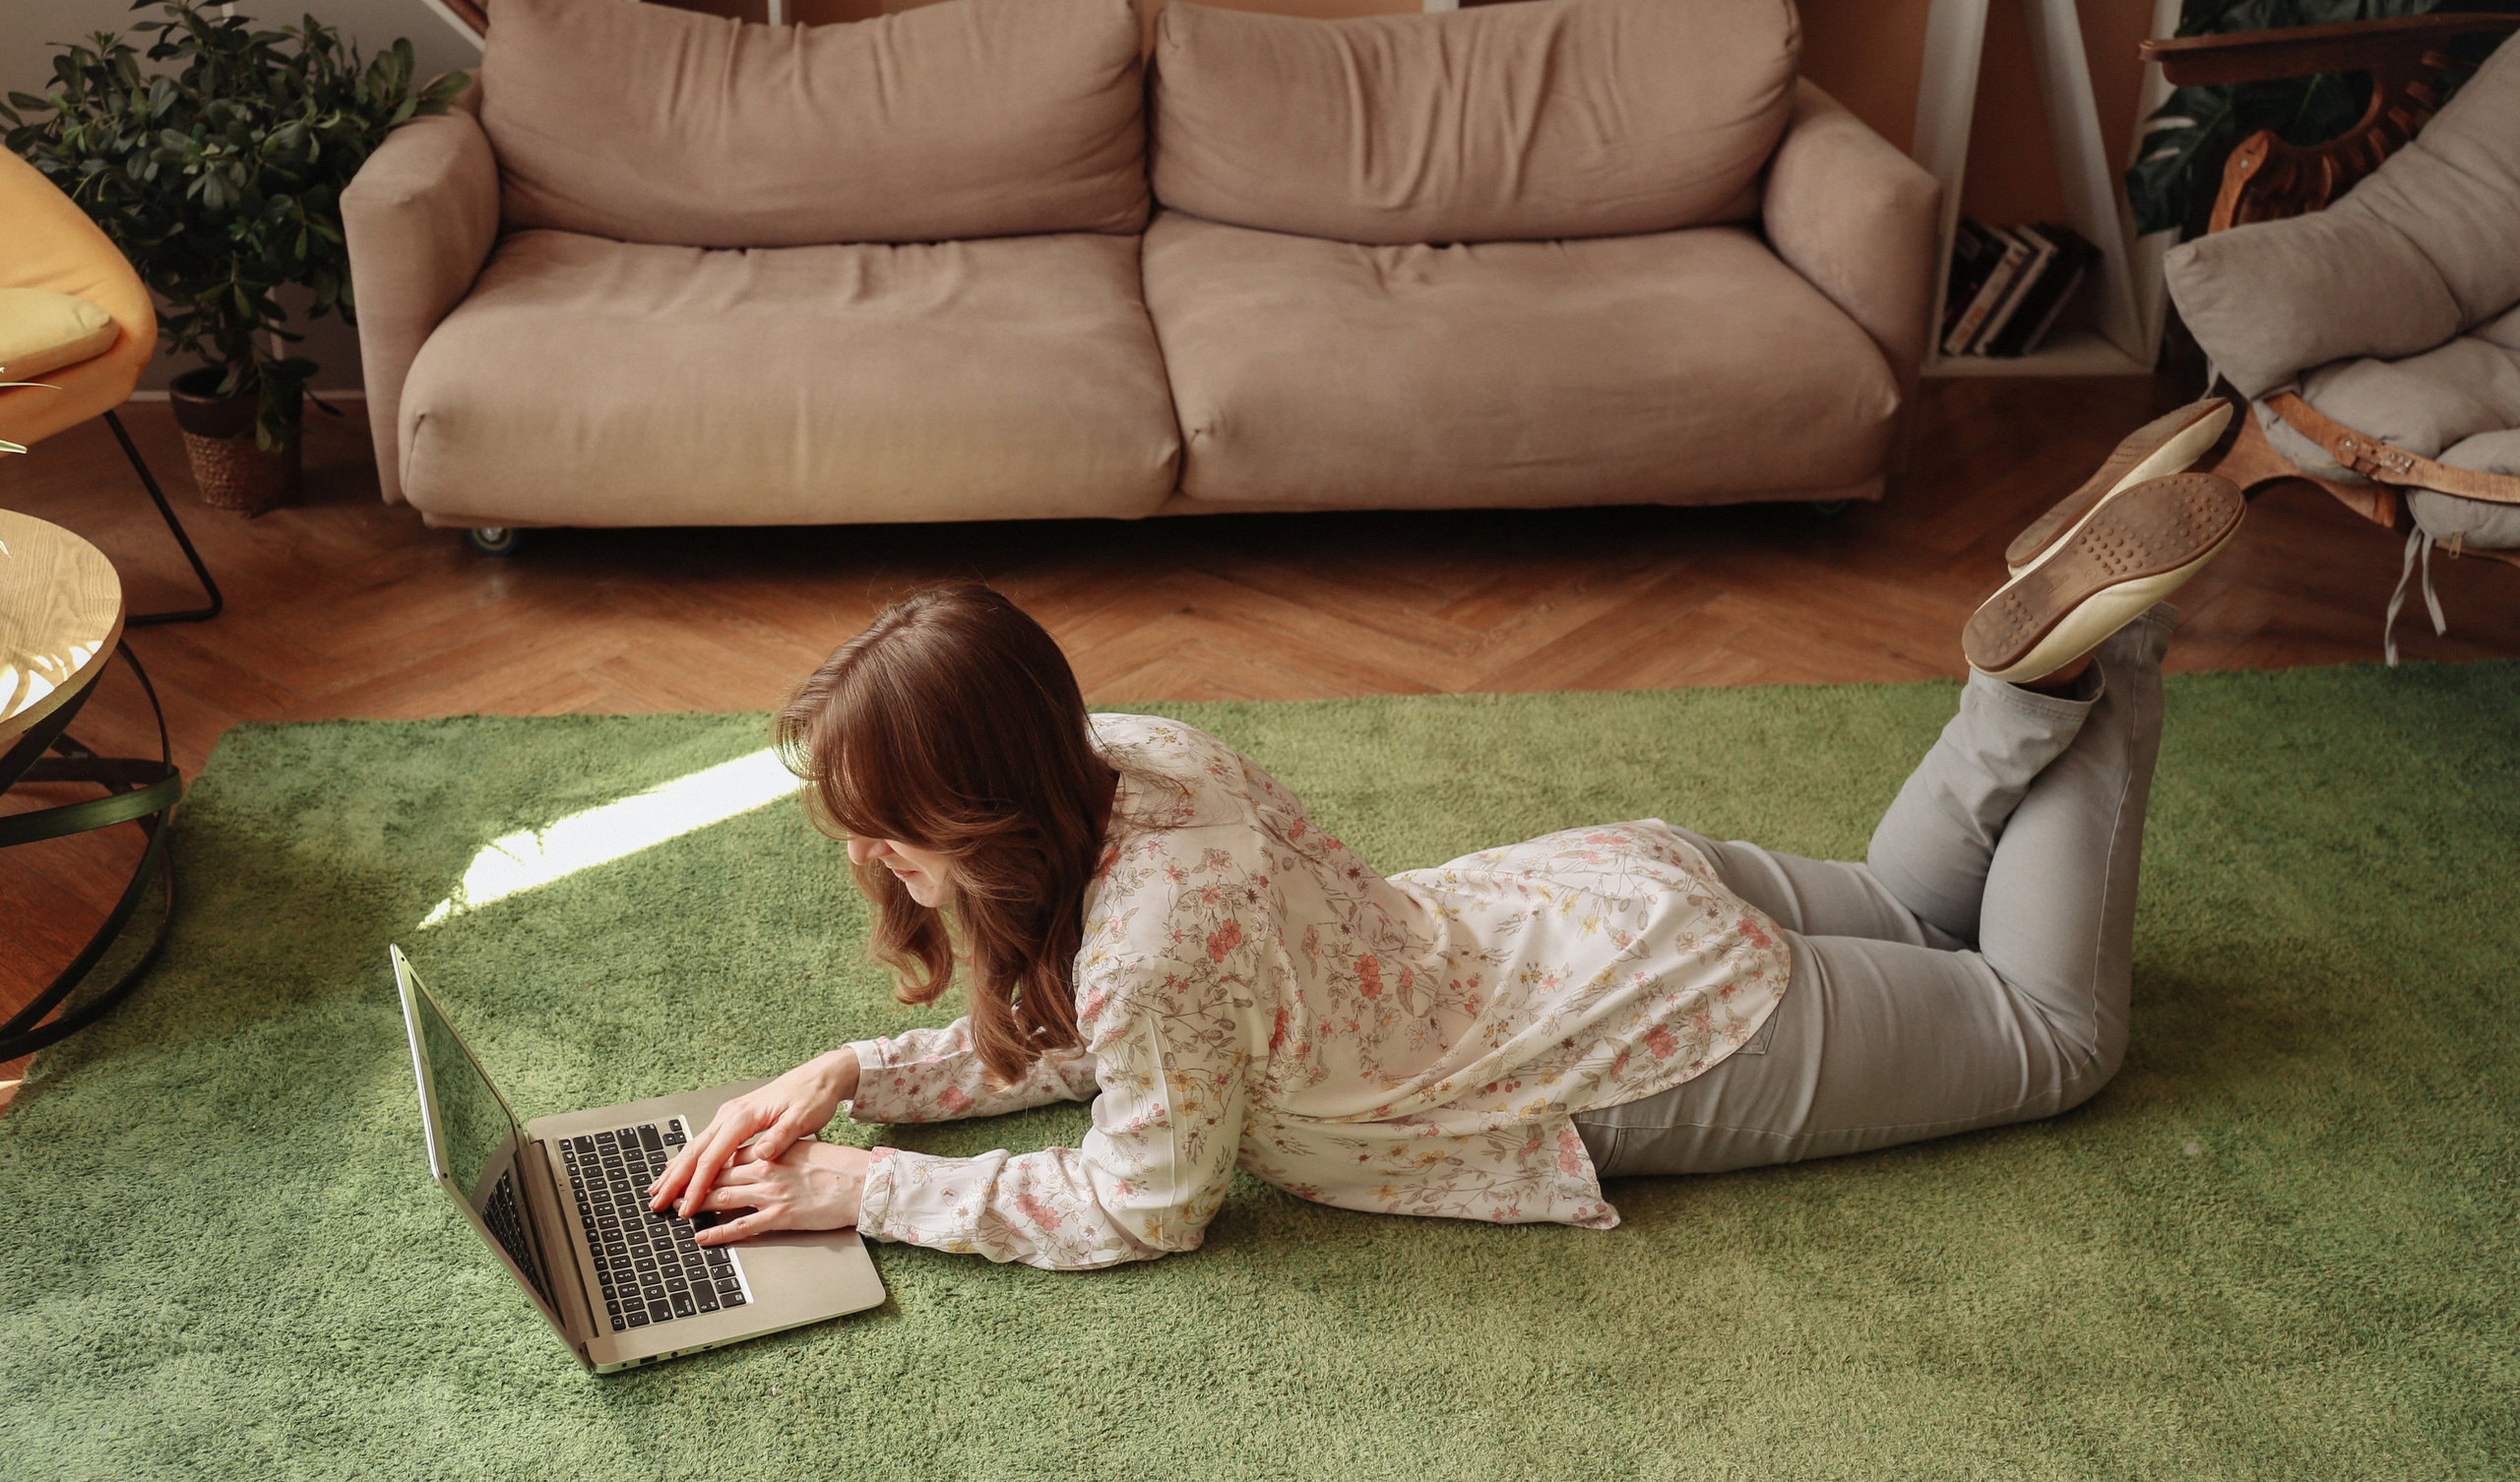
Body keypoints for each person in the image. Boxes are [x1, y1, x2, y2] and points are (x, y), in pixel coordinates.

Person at [649, 400, 2245, 1268]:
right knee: (1910, 907)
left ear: (987, 814)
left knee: (2048, 1033)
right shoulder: (1129, 758)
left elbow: (1142, 1200)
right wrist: (862, 1080)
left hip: (1648, 1023)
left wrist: (872, 1192)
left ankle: (2110, 649)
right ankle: (2026, 682)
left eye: (893, 839)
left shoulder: (1145, 952)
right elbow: (1137, 1036)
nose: (880, 870)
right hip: (1594, 893)